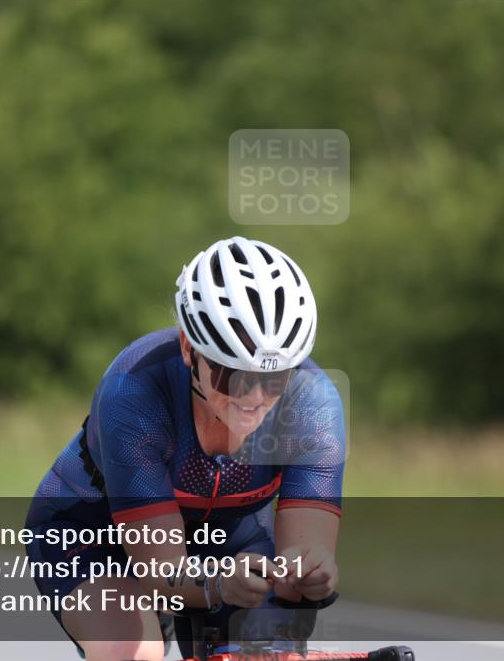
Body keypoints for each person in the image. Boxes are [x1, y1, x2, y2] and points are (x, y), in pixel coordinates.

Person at [26, 236, 346, 660]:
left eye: (275, 377)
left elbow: (296, 565)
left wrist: (312, 572)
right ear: (188, 350)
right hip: (94, 534)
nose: (253, 396)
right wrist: (214, 584)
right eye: (232, 373)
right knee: (132, 653)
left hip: (233, 540)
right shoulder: (134, 392)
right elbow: (162, 573)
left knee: (264, 652)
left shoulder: (313, 404)